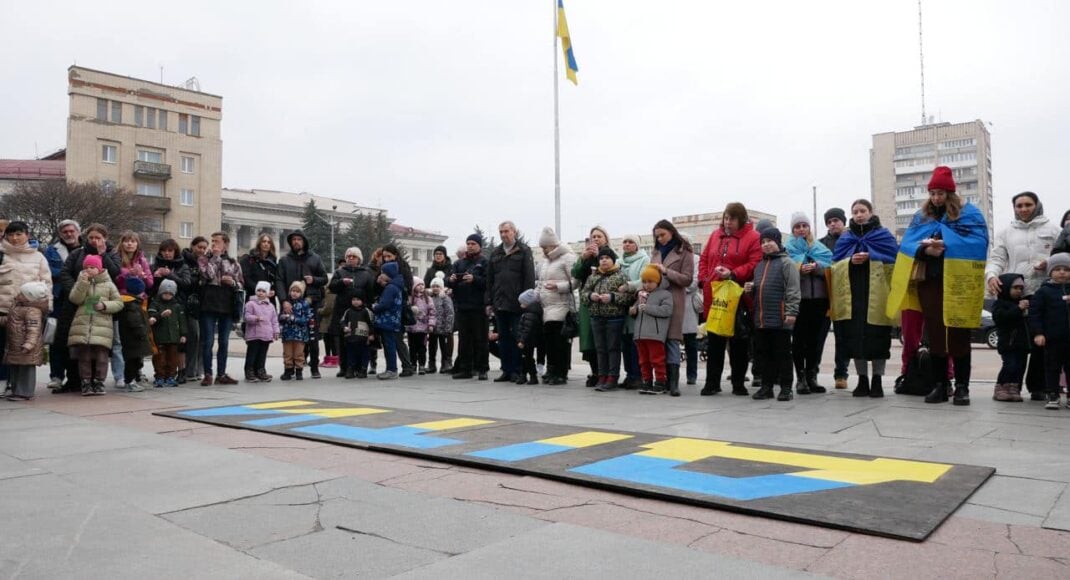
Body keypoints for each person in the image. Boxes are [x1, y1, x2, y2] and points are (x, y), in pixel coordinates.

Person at [888, 166, 989, 405]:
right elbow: (908, 245)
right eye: (932, 193)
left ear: (950, 193)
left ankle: (962, 387)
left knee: (959, 333)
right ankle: (940, 385)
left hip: (958, 283)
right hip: (930, 282)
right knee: (935, 334)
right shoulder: (921, 216)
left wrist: (946, 244)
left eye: (940, 193)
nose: (936, 198)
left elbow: (978, 241)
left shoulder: (969, 214)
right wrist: (926, 249)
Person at [985, 191, 1061, 401]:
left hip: (1046, 291)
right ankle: (1011, 386)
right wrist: (991, 275)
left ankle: (1039, 387)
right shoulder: (1006, 232)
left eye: (1028, 204)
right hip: (1017, 294)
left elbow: (1063, 256)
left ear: (1036, 205)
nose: (1023, 209)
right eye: (1019, 206)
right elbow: (997, 258)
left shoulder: (1053, 229)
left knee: (1041, 341)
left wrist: (1049, 263)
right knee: (1017, 343)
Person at [831, 199, 899, 398]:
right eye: (855, 212)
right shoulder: (846, 238)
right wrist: (850, 260)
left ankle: (877, 380)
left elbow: (894, 259)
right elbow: (835, 264)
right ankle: (862, 380)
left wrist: (872, 256)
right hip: (854, 298)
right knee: (855, 341)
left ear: (871, 212)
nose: (859, 214)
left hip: (878, 297)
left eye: (862, 211)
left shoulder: (883, 235)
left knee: (878, 339)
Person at [698, 203, 762, 396]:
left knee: (738, 342)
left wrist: (733, 273)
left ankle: (738, 382)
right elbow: (704, 259)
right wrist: (703, 279)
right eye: (726, 218)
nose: (728, 222)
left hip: (738, 295)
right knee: (715, 341)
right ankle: (712, 382)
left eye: (732, 219)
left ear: (741, 219)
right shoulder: (715, 235)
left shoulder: (753, 238)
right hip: (715, 293)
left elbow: (754, 262)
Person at [57, 223, 120, 393]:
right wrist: (77, 291)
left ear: (104, 239)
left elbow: (114, 273)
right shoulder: (78, 253)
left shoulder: (112, 254)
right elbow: (65, 273)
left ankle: (97, 381)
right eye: (91, 237)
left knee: (99, 346)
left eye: (98, 238)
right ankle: (76, 380)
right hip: (77, 306)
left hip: (101, 307)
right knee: (77, 344)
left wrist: (102, 254)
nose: (94, 240)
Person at [744, 228, 801, 401]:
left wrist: (791, 312)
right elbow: (760, 291)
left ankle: (786, 388)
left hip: (780, 318)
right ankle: (766, 387)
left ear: (778, 242)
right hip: (761, 319)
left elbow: (793, 289)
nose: (766, 245)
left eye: (770, 241)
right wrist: (751, 290)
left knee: (783, 354)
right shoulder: (759, 266)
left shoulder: (787, 263)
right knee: (764, 355)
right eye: (763, 242)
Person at [0, 221, 53, 390]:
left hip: (28, 311)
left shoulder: (38, 257)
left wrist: (45, 307)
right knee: (2, 348)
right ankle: (3, 382)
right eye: (11, 234)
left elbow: (47, 284)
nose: (14, 238)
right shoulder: (2, 254)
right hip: (3, 309)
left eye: (19, 234)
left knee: (23, 350)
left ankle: (19, 386)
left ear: (27, 235)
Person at [785, 212, 833, 394]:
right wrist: (799, 268)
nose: (801, 229)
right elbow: (785, 270)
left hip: (819, 300)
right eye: (797, 227)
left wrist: (817, 267)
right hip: (800, 300)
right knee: (798, 340)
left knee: (815, 340)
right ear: (793, 230)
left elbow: (831, 265)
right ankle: (801, 378)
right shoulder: (787, 248)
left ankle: (813, 377)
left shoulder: (819, 247)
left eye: (804, 226)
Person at [485, 221, 536, 383]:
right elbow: (490, 280)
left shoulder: (523, 251)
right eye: (501, 232)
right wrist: (489, 301)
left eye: (506, 231)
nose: (503, 234)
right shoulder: (496, 253)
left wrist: (526, 299)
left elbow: (529, 277)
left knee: (517, 337)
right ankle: (506, 369)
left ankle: (518, 369)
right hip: (499, 302)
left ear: (514, 232)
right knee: (504, 338)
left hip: (517, 303)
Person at [649, 219, 695, 396]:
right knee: (658, 340)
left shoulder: (685, 251)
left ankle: (674, 382)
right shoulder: (655, 251)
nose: (660, 239)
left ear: (672, 232)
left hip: (675, 299)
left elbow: (687, 279)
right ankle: (662, 380)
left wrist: (666, 271)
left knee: (672, 340)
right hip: (657, 299)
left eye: (663, 234)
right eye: (657, 236)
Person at [67, 254, 123, 396]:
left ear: (99, 269)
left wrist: (104, 305)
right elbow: (74, 298)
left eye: (93, 267)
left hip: (102, 327)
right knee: (84, 356)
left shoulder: (109, 284)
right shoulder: (81, 282)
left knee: (102, 357)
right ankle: (85, 382)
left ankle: (99, 381)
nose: (89, 270)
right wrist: (83, 283)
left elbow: (119, 302)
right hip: (83, 325)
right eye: (86, 267)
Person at [275, 230, 327, 379]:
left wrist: (314, 280)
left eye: (299, 239)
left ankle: (314, 367)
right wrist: (284, 300)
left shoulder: (315, 259)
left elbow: (324, 278)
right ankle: (290, 369)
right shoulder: (285, 260)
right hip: (290, 304)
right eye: (293, 240)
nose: (296, 242)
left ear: (304, 241)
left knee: (312, 336)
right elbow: (279, 280)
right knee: (290, 338)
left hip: (311, 303)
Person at [581, 246, 633, 392]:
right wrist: (591, 296)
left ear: (613, 260)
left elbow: (629, 297)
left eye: (607, 258)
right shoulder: (593, 277)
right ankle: (602, 375)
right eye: (601, 258)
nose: (604, 261)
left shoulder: (621, 276)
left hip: (614, 318)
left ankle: (612, 377)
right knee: (600, 349)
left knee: (613, 348)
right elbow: (584, 294)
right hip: (596, 317)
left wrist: (612, 297)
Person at [197, 231, 243, 386]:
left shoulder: (233, 262)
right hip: (209, 303)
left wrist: (233, 283)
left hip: (227, 303)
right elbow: (207, 275)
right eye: (212, 241)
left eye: (217, 241)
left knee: (224, 342)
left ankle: (221, 374)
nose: (214, 244)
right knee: (208, 341)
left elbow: (241, 283)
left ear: (226, 244)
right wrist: (215, 257)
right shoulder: (204, 259)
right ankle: (208, 373)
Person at [535, 227, 577, 385]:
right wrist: (535, 295)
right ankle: (551, 369)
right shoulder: (545, 263)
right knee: (549, 341)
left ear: (553, 245)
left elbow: (575, 282)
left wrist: (559, 286)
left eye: (545, 247)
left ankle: (561, 372)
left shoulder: (568, 258)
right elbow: (541, 282)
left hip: (562, 305)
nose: (543, 250)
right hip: (547, 307)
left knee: (559, 341)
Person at [43, 219, 82, 390]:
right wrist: (71, 274)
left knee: (77, 339)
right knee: (56, 339)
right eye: (65, 231)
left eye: (71, 231)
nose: (69, 234)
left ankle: (78, 377)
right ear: (60, 234)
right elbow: (50, 272)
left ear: (78, 232)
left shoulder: (87, 249)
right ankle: (57, 376)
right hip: (59, 299)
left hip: (80, 300)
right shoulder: (51, 251)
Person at [1029, 253, 1070, 409]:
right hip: (1052, 338)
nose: (1062, 272)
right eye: (1057, 269)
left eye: (1066, 269)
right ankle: (1052, 394)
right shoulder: (1044, 291)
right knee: (1052, 367)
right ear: (1050, 272)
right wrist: (1038, 333)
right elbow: (1035, 313)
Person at [113, 231, 154, 389]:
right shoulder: (116, 258)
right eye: (127, 241)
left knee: (138, 339)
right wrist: (128, 274)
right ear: (122, 243)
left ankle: (136, 373)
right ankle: (122, 375)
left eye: (133, 241)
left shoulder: (142, 260)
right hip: (122, 301)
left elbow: (150, 283)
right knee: (121, 341)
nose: (130, 244)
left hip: (138, 302)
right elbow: (114, 278)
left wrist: (142, 275)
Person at [572, 226, 612, 386]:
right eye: (593, 237)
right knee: (588, 340)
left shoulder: (609, 254)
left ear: (605, 239)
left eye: (599, 236)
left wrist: (599, 257)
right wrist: (582, 258)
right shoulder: (586, 256)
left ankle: (607, 373)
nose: (595, 239)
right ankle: (595, 371)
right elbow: (575, 273)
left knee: (603, 341)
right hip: (587, 301)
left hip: (604, 302)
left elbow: (612, 271)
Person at [327, 248, 376, 377]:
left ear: (359, 259)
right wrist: (342, 283)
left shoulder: (366, 274)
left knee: (360, 340)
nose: (351, 258)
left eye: (354, 256)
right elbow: (331, 287)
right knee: (343, 340)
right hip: (343, 310)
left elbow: (371, 292)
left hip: (361, 312)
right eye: (348, 256)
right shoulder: (340, 272)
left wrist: (368, 308)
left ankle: (360, 367)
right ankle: (344, 367)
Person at [448, 234, 489, 380]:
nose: (470, 246)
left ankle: (482, 369)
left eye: (473, 243)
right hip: (462, 307)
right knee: (464, 340)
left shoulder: (484, 262)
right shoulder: (459, 263)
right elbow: (449, 280)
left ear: (479, 245)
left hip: (478, 307)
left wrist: (474, 279)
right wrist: (451, 280)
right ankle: (465, 368)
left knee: (481, 339)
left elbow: (488, 282)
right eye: (468, 243)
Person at [819, 208, 851, 389]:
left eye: (836, 220)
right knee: (819, 336)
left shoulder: (851, 241)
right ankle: (813, 372)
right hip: (824, 296)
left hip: (843, 295)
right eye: (829, 221)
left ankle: (841, 374)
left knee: (842, 337)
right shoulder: (821, 244)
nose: (832, 224)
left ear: (843, 222)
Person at [3, 282, 50, 401]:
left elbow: (33, 329)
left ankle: (25, 392)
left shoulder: (32, 311)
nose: (18, 294)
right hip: (15, 344)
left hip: (26, 347)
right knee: (16, 369)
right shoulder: (18, 306)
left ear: (29, 297)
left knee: (26, 370)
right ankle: (16, 390)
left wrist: (29, 344)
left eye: (21, 293)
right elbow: (10, 320)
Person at [631, 265, 673, 395]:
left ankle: (660, 382)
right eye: (644, 282)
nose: (647, 285)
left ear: (657, 281)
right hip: (640, 334)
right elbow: (637, 310)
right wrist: (633, 310)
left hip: (655, 334)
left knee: (657, 359)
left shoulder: (665, 294)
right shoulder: (641, 294)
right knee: (643, 360)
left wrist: (647, 308)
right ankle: (647, 381)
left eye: (650, 282)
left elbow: (666, 311)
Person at [617, 234, 650, 389]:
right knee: (625, 343)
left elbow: (644, 280)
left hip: (637, 303)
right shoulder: (618, 262)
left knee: (635, 343)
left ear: (637, 245)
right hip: (621, 306)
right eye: (625, 241)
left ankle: (638, 375)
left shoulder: (644, 259)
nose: (627, 244)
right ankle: (629, 375)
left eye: (631, 242)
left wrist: (629, 286)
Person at [990, 274, 1031, 402]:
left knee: (1020, 367)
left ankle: (1014, 387)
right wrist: (1018, 309)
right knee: (1010, 365)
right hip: (1008, 343)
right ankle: (1001, 387)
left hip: (1022, 343)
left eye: (1021, 288)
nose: (1019, 291)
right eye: (1015, 288)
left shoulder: (1022, 303)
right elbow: (1001, 318)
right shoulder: (1000, 303)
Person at [380, 244, 416, 376]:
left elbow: (408, 286)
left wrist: (390, 284)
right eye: (384, 256)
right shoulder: (384, 268)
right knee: (388, 339)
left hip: (398, 308)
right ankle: (392, 367)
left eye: (389, 256)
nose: (387, 259)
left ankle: (406, 366)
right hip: (387, 308)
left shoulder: (402, 267)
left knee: (397, 338)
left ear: (396, 255)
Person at [114, 277, 152, 392]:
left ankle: (133, 381)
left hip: (131, 339)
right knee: (133, 362)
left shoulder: (131, 303)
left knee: (135, 361)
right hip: (134, 340)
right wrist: (142, 333)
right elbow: (135, 322)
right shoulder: (132, 305)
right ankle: (130, 382)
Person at [148, 279, 187, 388]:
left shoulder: (177, 306)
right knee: (159, 358)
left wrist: (183, 334)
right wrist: (160, 315)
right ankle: (159, 376)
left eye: (170, 294)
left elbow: (182, 321)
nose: (168, 295)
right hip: (159, 337)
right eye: (165, 293)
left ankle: (170, 376)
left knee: (173, 358)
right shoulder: (155, 303)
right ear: (161, 292)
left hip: (173, 337)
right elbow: (152, 316)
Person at [181, 237, 208, 383]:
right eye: (199, 247)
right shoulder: (183, 259)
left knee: (202, 338)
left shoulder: (205, 262)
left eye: (204, 248)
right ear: (192, 246)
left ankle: (199, 369)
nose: (202, 250)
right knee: (193, 336)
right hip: (188, 303)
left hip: (202, 304)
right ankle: (190, 370)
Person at [243, 281, 279, 383]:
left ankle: (260, 370)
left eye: (263, 291)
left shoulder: (270, 306)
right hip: (254, 334)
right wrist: (256, 318)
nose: (261, 293)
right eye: (259, 290)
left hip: (266, 335)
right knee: (252, 353)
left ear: (267, 293)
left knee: (262, 354)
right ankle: (249, 371)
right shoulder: (250, 304)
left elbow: (274, 320)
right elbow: (246, 317)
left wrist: (276, 331)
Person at [373, 261, 405, 380]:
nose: (381, 274)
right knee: (389, 344)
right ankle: (391, 369)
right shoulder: (396, 285)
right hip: (394, 320)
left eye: (383, 272)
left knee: (389, 345)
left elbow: (385, 304)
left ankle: (391, 369)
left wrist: (375, 307)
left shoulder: (390, 288)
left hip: (387, 321)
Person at [279, 281, 314, 381]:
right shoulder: (286, 304)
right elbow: (279, 317)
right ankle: (288, 371)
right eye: (293, 291)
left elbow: (307, 318)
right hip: (287, 334)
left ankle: (299, 371)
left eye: (297, 291)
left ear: (301, 293)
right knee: (287, 354)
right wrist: (284, 317)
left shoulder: (304, 305)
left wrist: (295, 319)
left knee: (299, 354)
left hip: (300, 335)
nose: (294, 293)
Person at [406, 279, 437, 375]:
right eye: (418, 285)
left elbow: (432, 313)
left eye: (422, 285)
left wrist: (431, 324)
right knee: (412, 347)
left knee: (422, 347)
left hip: (423, 328)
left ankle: (422, 365)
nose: (421, 287)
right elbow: (406, 311)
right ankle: (413, 364)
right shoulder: (410, 298)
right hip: (411, 328)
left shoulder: (427, 299)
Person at [240, 233, 278, 306]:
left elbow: (277, 280)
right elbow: (246, 278)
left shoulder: (273, 262)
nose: (266, 244)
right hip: (253, 298)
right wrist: (261, 291)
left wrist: (274, 291)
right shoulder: (249, 259)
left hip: (269, 301)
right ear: (259, 243)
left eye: (269, 242)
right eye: (264, 241)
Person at [428, 272, 455, 374]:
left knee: (444, 347)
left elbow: (450, 313)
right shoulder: (430, 298)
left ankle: (445, 363)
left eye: (437, 286)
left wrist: (448, 327)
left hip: (443, 328)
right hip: (433, 328)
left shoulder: (445, 298)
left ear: (442, 287)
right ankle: (431, 364)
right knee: (432, 346)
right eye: (433, 286)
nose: (435, 288)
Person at [341, 294, 373, 378]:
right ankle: (351, 369)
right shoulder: (348, 311)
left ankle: (363, 369)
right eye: (354, 299)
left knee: (364, 354)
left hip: (363, 338)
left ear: (362, 301)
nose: (355, 302)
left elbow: (372, 323)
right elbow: (343, 321)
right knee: (351, 354)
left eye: (358, 299)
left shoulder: (366, 311)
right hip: (350, 337)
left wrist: (371, 334)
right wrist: (344, 327)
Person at [516, 289, 543, 385]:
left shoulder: (529, 315)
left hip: (527, 341)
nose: (520, 305)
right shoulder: (531, 313)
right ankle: (523, 375)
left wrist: (522, 341)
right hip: (528, 340)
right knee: (525, 358)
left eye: (522, 303)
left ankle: (532, 376)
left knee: (527, 358)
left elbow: (527, 329)